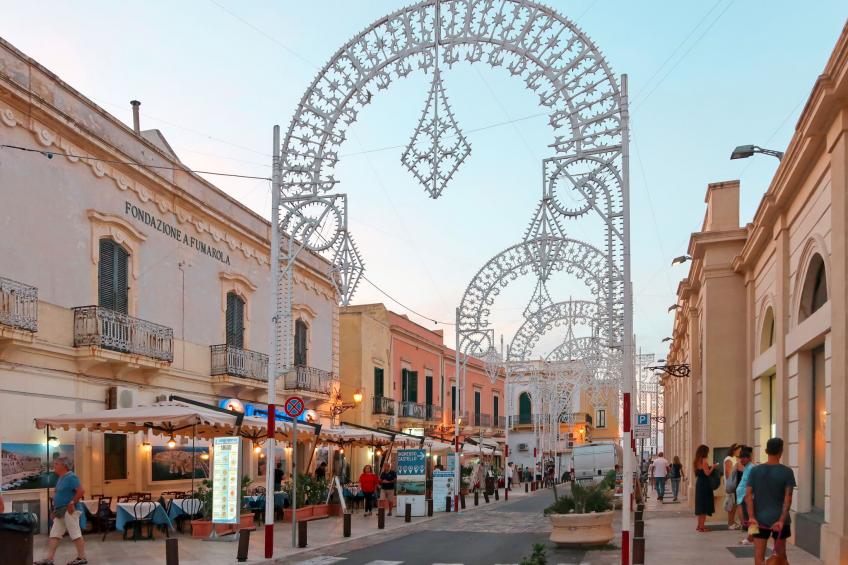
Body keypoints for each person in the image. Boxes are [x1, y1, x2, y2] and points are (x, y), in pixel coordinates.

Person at [745, 438, 796, 565]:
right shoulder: (787, 472)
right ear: (781, 451)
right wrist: (781, 520)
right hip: (779, 520)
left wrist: (751, 517)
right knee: (781, 556)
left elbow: (748, 496)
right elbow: (788, 499)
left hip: (757, 519)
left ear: (766, 451)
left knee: (758, 555)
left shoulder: (755, 471)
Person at [35, 457, 87, 565]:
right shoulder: (61, 478)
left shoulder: (71, 477)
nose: (54, 466)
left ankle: (82, 558)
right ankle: (49, 559)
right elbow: (59, 495)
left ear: (64, 465)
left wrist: (72, 502)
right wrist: (54, 510)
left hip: (69, 510)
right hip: (60, 511)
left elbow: (81, 491)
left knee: (75, 533)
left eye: (56, 464)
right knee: (54, 534)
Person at [693, 444, 718, 532]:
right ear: (704, 452)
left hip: (699, 483)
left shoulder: (696, 461)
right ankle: (702, 527)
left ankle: (699, 525)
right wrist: (713, 467)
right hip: (705, 484)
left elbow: (700, 472)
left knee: (700, 505)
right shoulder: (704, 460)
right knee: (704, 506)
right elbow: (707, 473)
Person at [735, 446, 755, 546]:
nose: (741, 460)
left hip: (746, 497)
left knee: (751, 518)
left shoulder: (751, 468)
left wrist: (747, 496)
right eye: (740, 457)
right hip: (743, 497)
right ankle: (751, 537)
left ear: (749, 458)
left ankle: (751, 537)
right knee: (748, 519)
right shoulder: (747, 468)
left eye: (744, 457)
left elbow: (751, 484)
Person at [724, 443, 742, 529]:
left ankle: (732, 522)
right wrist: (735, 467)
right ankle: (730, 523)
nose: (740, 452)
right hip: (731, 485)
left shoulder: (734, 458)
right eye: (739, 450)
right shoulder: (729, 459)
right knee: (731, 505)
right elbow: (728, 474)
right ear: (734, 450)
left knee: (734, 505)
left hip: (734, 484)